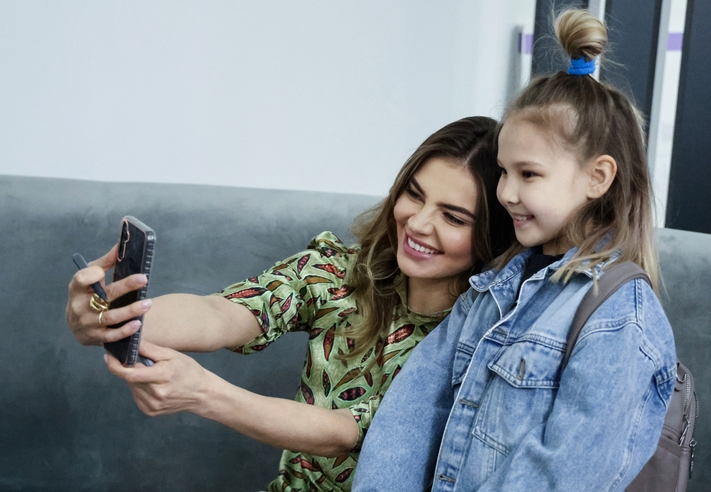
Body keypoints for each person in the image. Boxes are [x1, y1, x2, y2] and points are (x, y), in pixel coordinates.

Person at [65, 116, 515, 491]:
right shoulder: (337, 271)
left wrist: (204, 394)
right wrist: (110, 314)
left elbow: (346, 432)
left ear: (491, 236)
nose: (417, 223)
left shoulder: (479, 340)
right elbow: (225, 312)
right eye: (414, 194)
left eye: (453, 217)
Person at [352, 9, 677, 491]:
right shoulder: (495, 287)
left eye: (528, 174)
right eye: (504, 171)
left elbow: (560, 476)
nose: (505, 192)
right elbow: (412, 415)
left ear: (598, 176)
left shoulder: (619, 320)